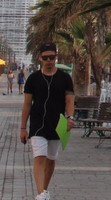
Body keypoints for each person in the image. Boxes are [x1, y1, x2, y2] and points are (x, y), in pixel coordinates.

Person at [20, 43, 75, 200]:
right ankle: (40, 194)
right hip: (37, 125)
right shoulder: (33, 79)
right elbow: (27, 104)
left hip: (57, 124)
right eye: (45, 58)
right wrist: (23, 128)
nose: (49, 61)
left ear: (56, 57)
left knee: (51, 159)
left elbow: (69, 101)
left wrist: (70, 117)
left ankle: (44, 190)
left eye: (51, 57)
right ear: (40, 58)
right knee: (39, 157)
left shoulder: (65, 78)